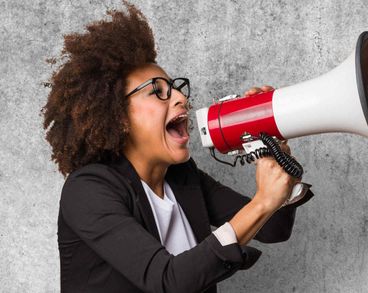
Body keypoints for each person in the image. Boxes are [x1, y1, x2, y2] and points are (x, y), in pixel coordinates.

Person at [41, 2, 314, 292]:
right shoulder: (89, 189)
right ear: (118, 117)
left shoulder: (183, 177)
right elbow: (168, 280)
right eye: (158, 91)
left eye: (176, 88)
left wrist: (278, 157)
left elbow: (275, 227)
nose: (181, 98)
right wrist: (262, 202)